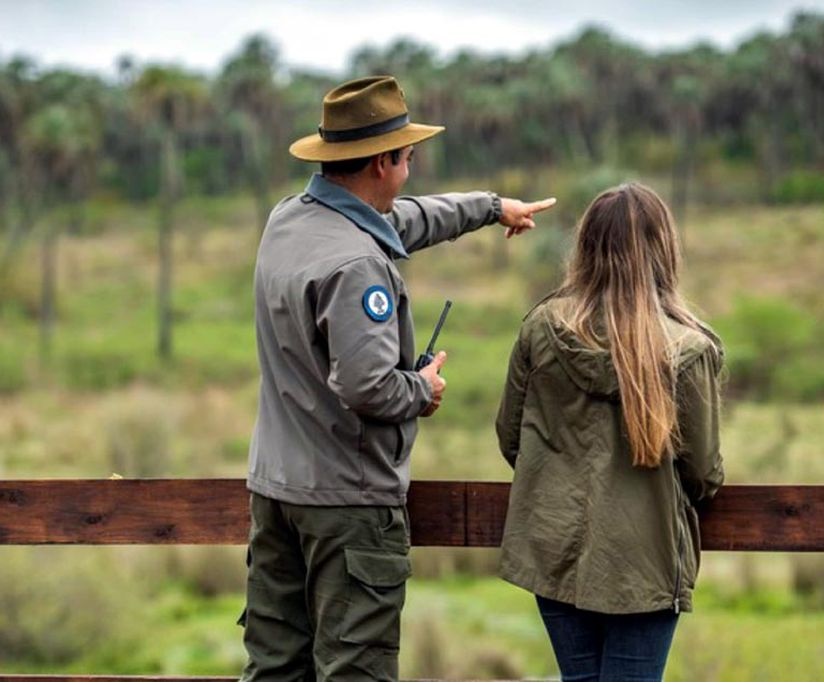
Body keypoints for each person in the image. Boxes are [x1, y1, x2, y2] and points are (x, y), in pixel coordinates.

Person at [239, 74, 556, 682]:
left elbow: (403, 220)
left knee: (276, 668)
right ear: (382, 162)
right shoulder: (359, 264)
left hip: (275, 492)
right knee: (355, 671)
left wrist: (491, 209)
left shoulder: (290, 221)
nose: (409, 172)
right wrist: (424, 388)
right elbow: (369, 388)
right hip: (349, 505)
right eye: (407, 159)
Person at [496, 183, 724, 682]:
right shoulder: (687, 350)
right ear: (663, 251)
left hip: (555, 552)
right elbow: (703, 472)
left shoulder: (540, 329)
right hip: (644, 562)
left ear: (586, 247)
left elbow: (511, 438)